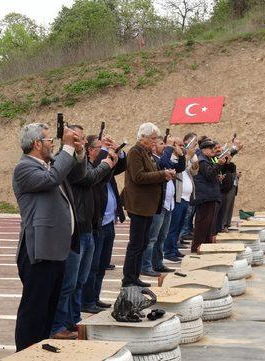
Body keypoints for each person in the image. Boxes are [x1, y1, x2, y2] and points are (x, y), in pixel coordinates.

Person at [12, 123, 85, 351]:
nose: (52, 144)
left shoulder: (51, 164)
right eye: (48, 140)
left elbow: (79, 175)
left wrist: (78, 151)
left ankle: (40, 349)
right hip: (38, 249)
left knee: (48, 308)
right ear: (36, 144)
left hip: (55, 248)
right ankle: (24, 352)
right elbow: (52, 179)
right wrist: (67, 148)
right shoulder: (24, 168)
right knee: (34, 309)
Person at [51, 126, 115, 338]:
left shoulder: (79, 160)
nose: (82, 144)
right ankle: (59, 325)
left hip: (88, 226)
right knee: (68, 283)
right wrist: (106, 163)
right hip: (76, 229)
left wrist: (109, 162)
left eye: (83, 142)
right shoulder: (64, 160)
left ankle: (73, 320)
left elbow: (97, 178)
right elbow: (86, 178)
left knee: (79, 281)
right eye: (76, 139)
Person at [121, 123, 175, 287]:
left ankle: (135, 276)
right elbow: (139, 176)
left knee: (142, 243)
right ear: (142, 137)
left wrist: (162, 174)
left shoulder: (145, 152)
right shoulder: (135, 152)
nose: (154, 142)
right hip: (139, 205)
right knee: (136, 244)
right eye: (152, 138)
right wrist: (162, 174)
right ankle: (129, 278)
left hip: (147, 206)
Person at [82, 134, 127, 313]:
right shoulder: (91, 167)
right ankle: (87, 301)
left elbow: (121, 166)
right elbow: (104, 165)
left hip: (108, 221)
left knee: (102, 265)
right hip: (97, 221)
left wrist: (118, 151)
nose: (105, 151)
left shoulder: (104, 167)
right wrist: (109, 154)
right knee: (92, 266)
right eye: (100, 147)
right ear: (92, 150)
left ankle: (94, 297)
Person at [141, 136, 185, 276]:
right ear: (153, 146)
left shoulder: (163, 158)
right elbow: (164, 163)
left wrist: (182, 155)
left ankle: (158, 263)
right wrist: (171, 147)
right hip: (158, 204)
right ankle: (146, 266)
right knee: (152, 238)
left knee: (161, 237)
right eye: (162, 144)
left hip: (168, 204)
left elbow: (179, 168)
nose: (165, 147)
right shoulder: (154, 159)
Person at [164, 133, 198, 261]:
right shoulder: (172, 157)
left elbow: (194, 171)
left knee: (178, 226)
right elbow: (175, 168)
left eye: (183, 146)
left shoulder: (183, 158)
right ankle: (169, 251)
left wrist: (193, 160)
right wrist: (186, 156)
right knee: (173, 226)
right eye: (180, 145)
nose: (182, 148)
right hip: (177, 197)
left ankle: (174, 249)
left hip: (186, 198)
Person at [191, 139, 226, 253]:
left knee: (208, 225)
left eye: (213, 148)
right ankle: (197, 248)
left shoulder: (207, 159)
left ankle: (204, 248)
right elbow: (209, 175)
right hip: (206, 198)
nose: (213, 150)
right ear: (204, 149)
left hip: (210, 196)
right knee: (202, 225)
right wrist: (218, 165)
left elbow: (211, 175)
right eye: (211, 148)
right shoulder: (202, 161)